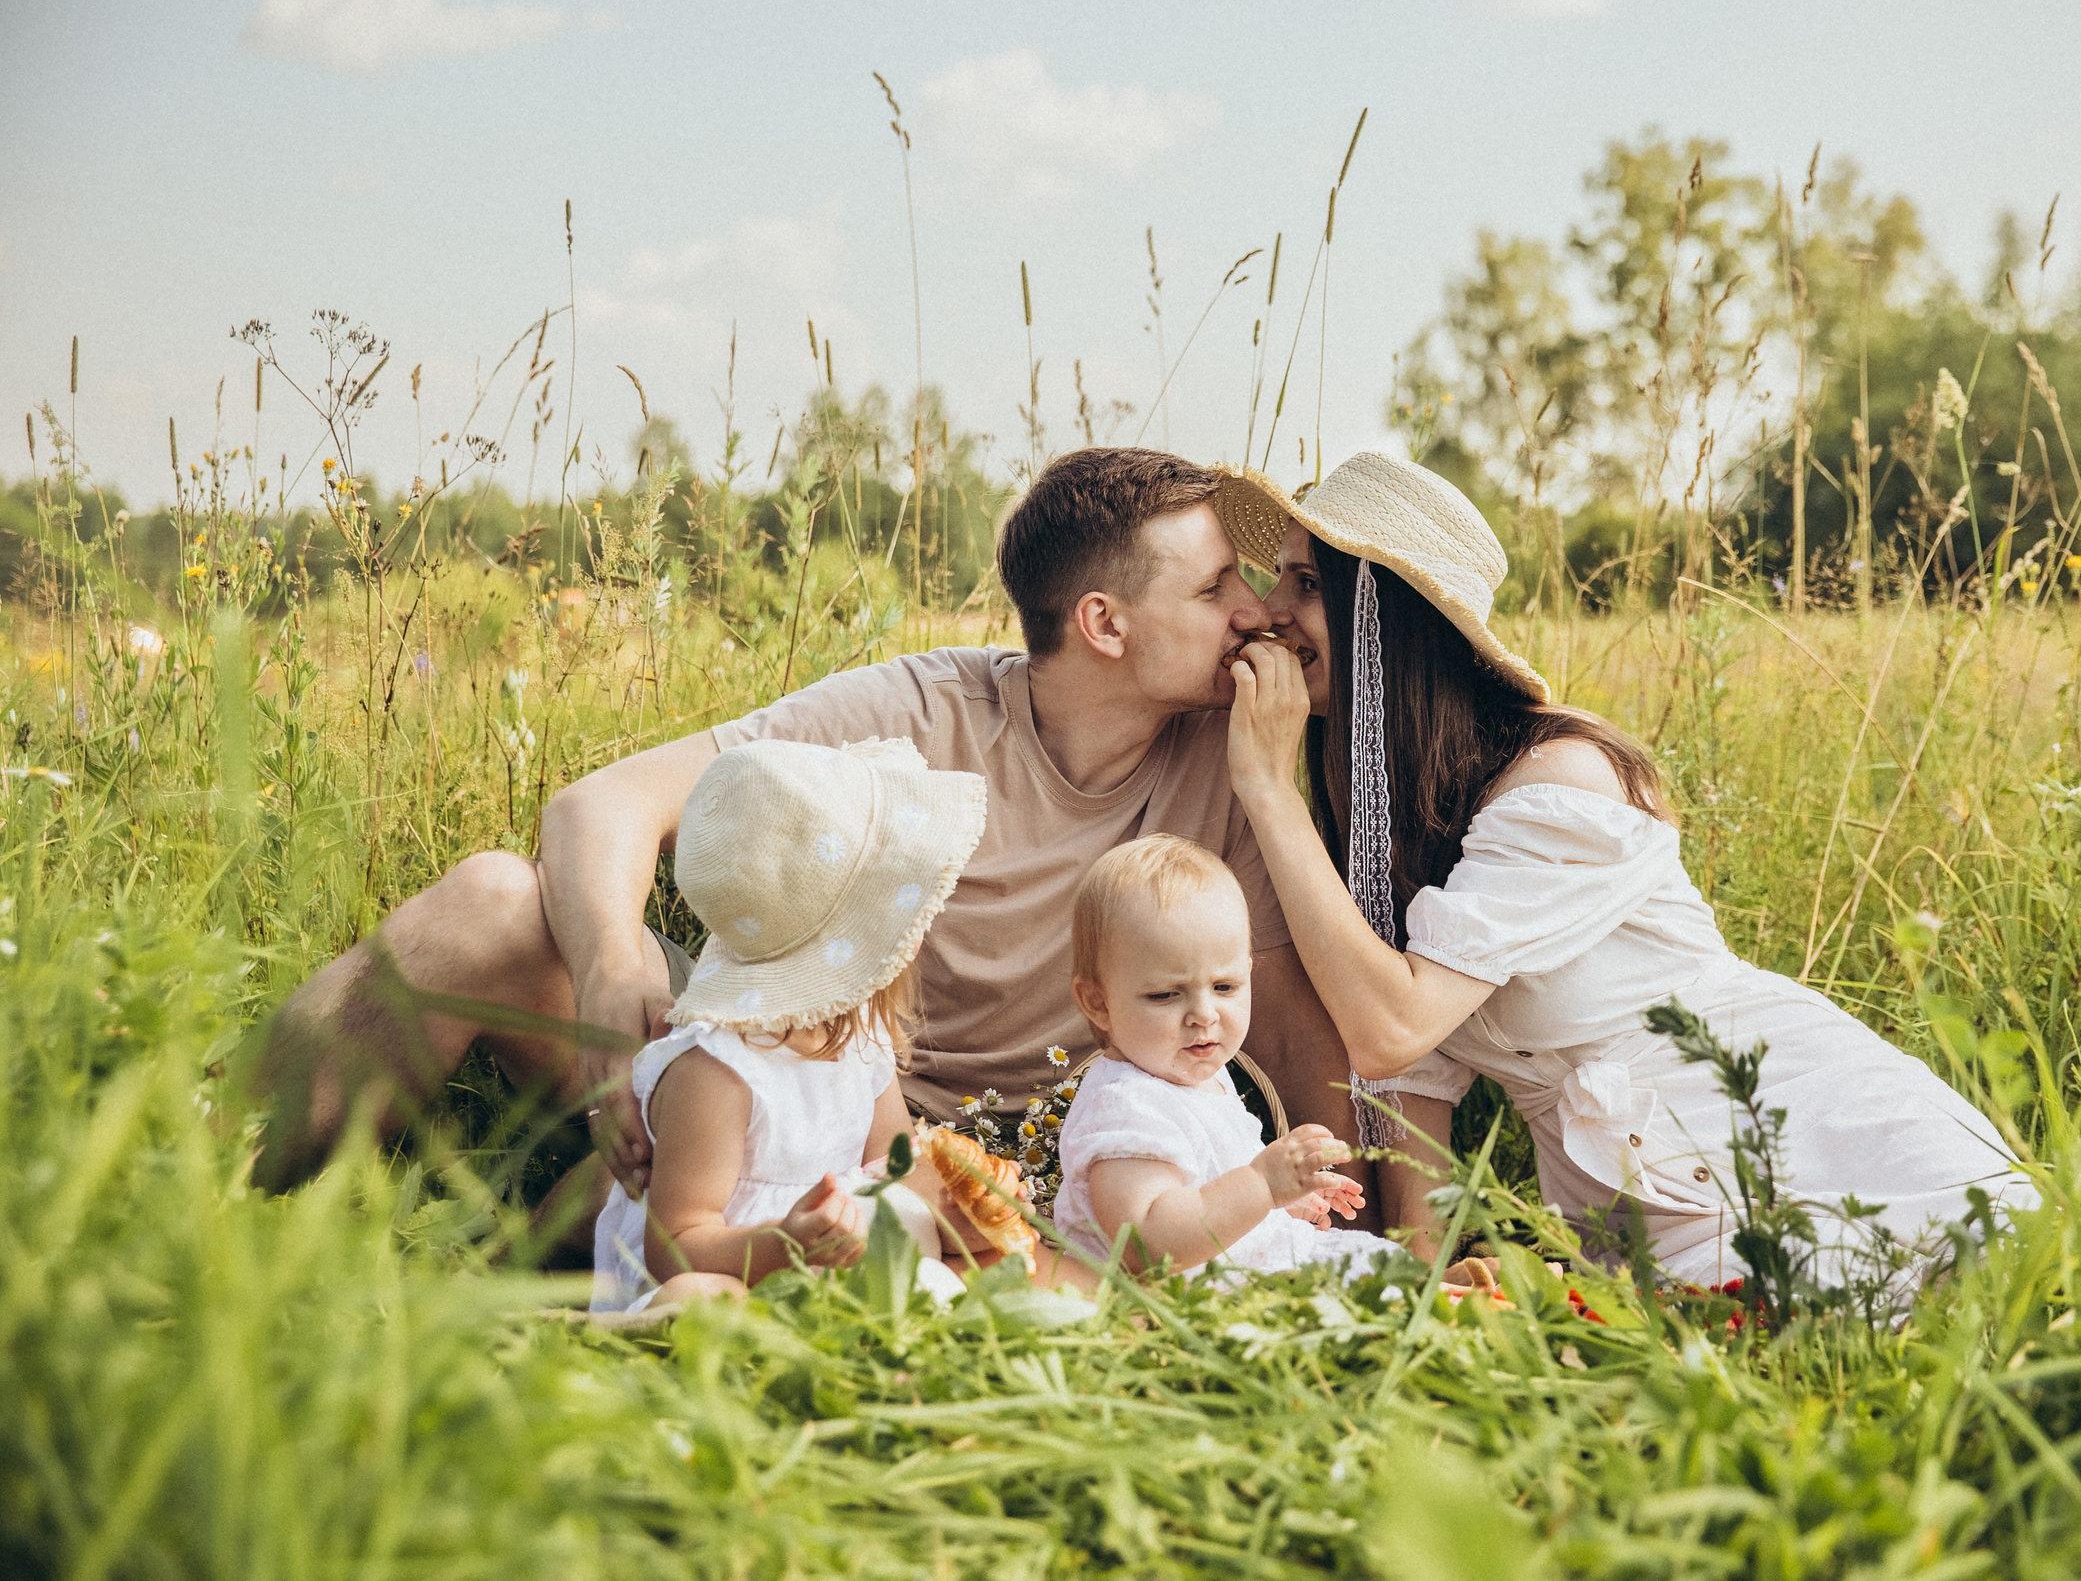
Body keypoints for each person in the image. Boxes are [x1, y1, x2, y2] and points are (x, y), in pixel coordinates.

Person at [252, 447, 1432, 1238]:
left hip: (1024, 1186)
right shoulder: (920, 711)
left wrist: (1367, 1241)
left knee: (614, 1221)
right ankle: (187, 1181)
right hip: (804, 1101)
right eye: (1218, 585)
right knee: (491, 904)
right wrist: (615, 956)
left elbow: (1289, 1021)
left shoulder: (1237, 758)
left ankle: (588, 1240)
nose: (1254, 613)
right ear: (1104, 624)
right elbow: (597, 804)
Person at [1210, 452, 2034, 1287]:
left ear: (1383, 612)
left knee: (1915, 1319)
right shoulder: (1403, 812)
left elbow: (1393, 1024)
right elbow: (1407, 1072)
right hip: (1645, 1205)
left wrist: (1268, 789)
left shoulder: (1559, 785)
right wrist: (1419, 1282)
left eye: (1306, 583)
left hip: (1799, 1139)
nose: (1268, 611)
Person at [592, 737, 980, 1312]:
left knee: (943, 1280)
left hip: (822, 1270)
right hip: (726, 1267)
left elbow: (892, 1163)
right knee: (705, 1298)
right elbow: (674, 1244)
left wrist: (955, 1206)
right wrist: (781, 1247)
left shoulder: (857, 1034)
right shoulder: (720, 1072)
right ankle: (637, 1341)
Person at [1050, 834, 1393, 1279]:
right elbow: (1145, 1246)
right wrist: (1260, 1186)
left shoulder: (1199, 1073)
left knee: (1375, 1264)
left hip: (1242, 1273)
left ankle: (1450, 1288)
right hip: (1179, 1306)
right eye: (1165, 994)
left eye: (1225, 987)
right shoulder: (1124, 1106)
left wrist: (1280, 1205)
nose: (1204, 1015)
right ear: (1098, 1002)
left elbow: (1208, 1193)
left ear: (1249, 972)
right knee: (1367, 1287)